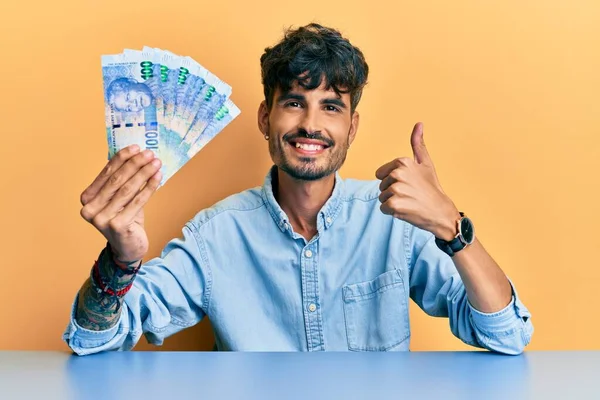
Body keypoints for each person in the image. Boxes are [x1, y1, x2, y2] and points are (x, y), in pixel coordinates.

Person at [64, 23, 533, 355]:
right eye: (294, 102)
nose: (310, 124)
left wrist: (453, 228)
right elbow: (92, 339)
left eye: (331, 107)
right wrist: (120, 260)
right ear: (267, 118)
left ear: (352, 128)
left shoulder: (395, 225)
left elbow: (506, 334)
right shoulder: (214, 238)